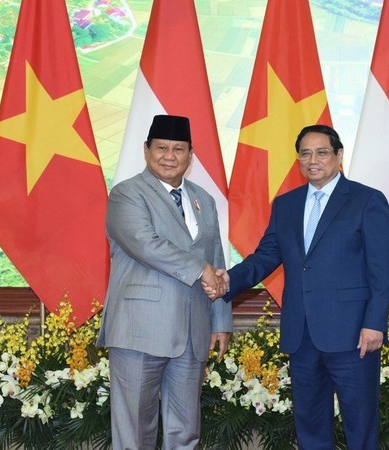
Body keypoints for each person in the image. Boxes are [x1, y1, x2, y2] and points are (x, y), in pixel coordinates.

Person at [206, 124, 389, 450]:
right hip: (302, 336)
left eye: (321, 152)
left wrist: (374, 323)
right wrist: (228, 282)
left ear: (339, 156)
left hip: (354, 337)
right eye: (305, 153)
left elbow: (381, 270)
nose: (313, 160)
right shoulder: (286, 204)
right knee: (309, 425)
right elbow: (265, 257)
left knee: (360, 427)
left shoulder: (367, 200)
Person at [98, 114, 232, 450]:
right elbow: (145, 244)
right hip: (140, 329)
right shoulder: (127, 194)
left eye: (178, 148)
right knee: (134, 432)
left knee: (185, 431)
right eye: (161, 148)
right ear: (146, 150)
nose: (169, 156)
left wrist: (220, 320)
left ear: (190, 155)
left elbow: (216, 259)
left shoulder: (204, 199)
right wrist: (201, 269)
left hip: (192, 331)